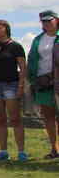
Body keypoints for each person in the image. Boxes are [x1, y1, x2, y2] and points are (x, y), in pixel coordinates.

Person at [0, 20, 27, 161]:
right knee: (0, 119)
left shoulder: (16, 47)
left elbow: (22, 67)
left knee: (15, 118)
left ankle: (21, 151)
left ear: (6, 29)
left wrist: (21, 86)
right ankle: (3, 151)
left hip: (11, 85)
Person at [26, 10, 59, 159]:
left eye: (49, 20)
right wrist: (32, 79)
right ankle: (55, 148)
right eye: (44, 21)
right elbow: (31, 59)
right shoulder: (38, 39)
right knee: (48, 117)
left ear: (56, 20)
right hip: (43, 82)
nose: (46, 23)